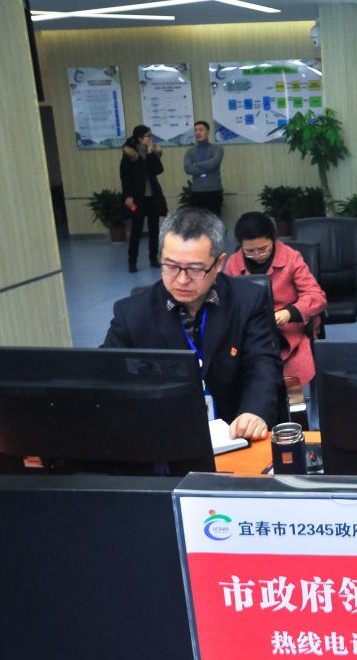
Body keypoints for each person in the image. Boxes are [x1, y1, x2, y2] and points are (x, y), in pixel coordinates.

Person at [102, 207, 283, 440]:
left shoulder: (248, 300)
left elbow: (263, 364)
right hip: (163, 436)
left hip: (235, 432)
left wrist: (254, 411)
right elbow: (106, 376)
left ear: (219, 263)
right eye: (170, 266)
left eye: (195, 269)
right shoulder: (131, 314)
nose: (181, 280)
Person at [224, 212, 326, 388]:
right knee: (240, 371)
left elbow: (316, 296)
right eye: (249, 251)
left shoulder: (291, 258)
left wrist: (289, 313)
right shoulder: (234, 263)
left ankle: (294, 404)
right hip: (249, 334)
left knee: (292, 380)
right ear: (240, 246)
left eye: (263, 248)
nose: (257, 255)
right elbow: (226, 302)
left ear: (273, 239)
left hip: (287, 333)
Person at [120, 124, 168, 272]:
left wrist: (152, 154)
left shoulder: (151, 152)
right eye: (148, 136)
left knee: (154, 230)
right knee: (136, 230)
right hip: (137, 199)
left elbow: (158, 170)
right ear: (140, 138)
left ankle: (153, 258)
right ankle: (132, 261)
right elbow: (125, 177)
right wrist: (128, 195)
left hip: (153, 197)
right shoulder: (129, 155)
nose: (150, 138)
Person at [184, 120, 224, 216]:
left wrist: (196, 164)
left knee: (214, 220)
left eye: (201, 130)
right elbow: (188, 169)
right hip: (197, 192)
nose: (198, 132)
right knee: (197, 221)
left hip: (214, 191)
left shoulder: (217, 148)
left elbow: (214, 163)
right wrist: (207, 166)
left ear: (208, 132)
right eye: (196, 130)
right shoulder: (190, 151)